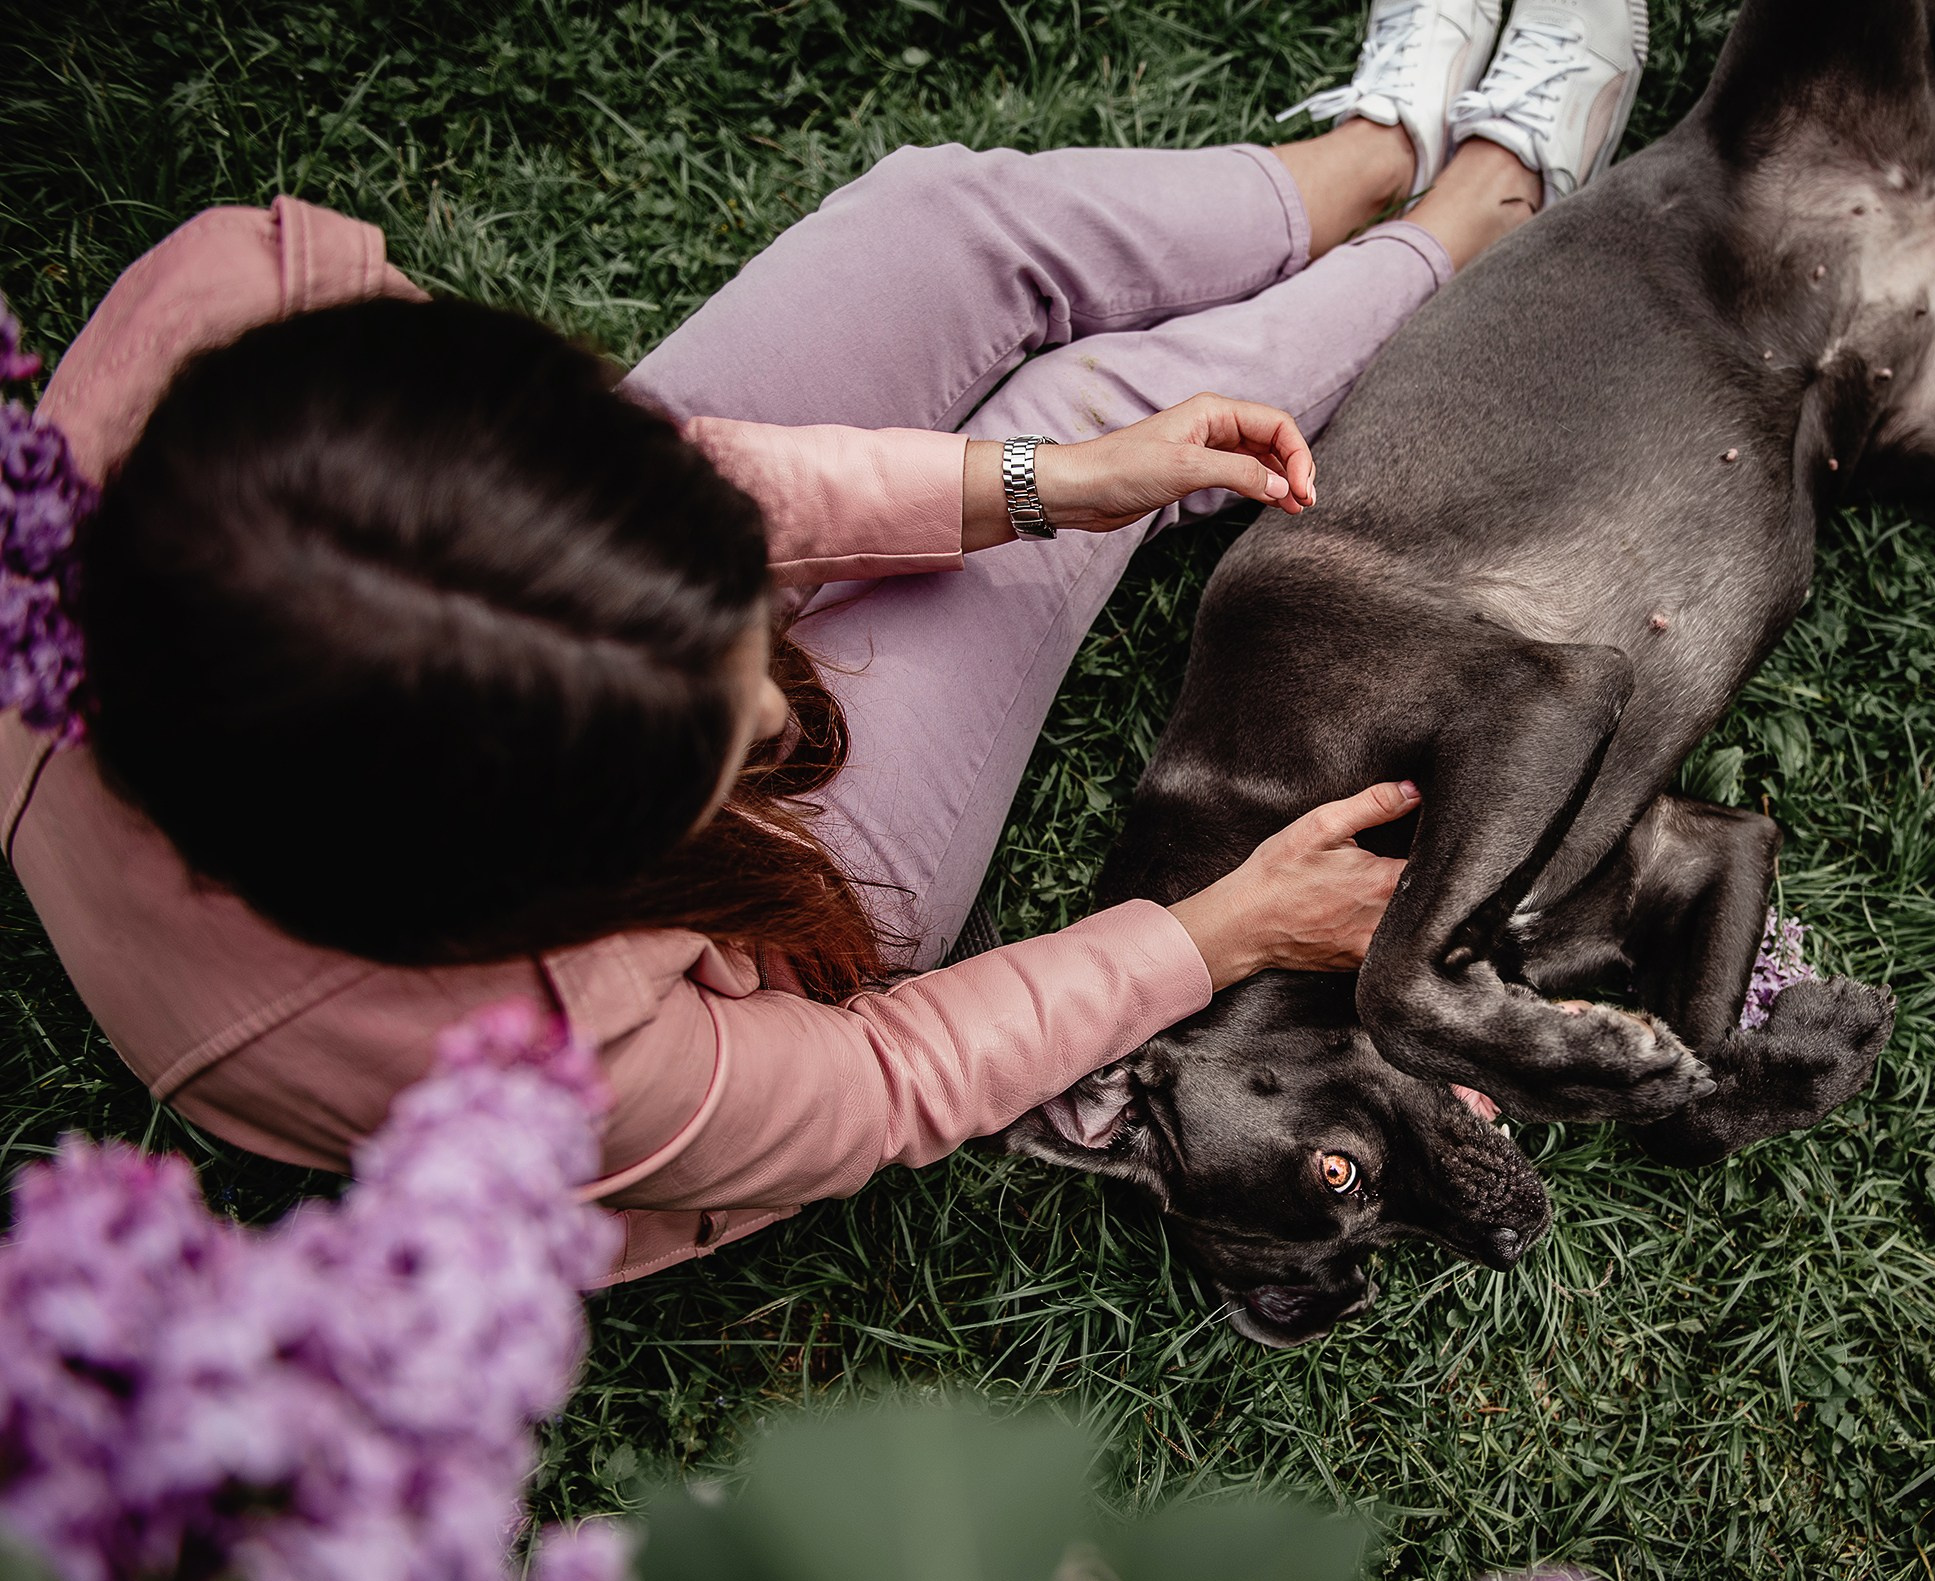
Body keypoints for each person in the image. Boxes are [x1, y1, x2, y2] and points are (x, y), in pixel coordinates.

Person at [1, 0, 1646, 1280]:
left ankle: (1360, 157)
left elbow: (661, 483)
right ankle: (1477, 211)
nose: (786, 709)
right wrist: (1220, 930)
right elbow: (885, 1082)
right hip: (768, 943)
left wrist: (1031, 485)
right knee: (1085, 392)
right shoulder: (561, 1054)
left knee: (937, 229)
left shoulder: (243, 353)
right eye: (726, 744)